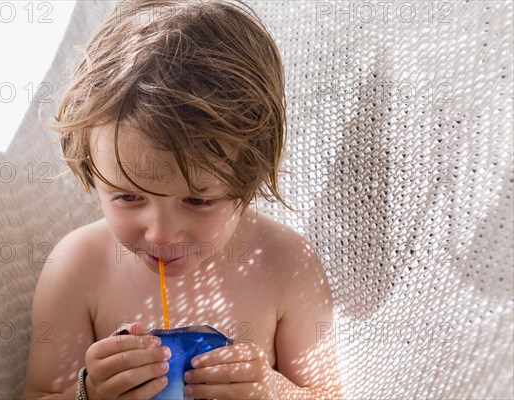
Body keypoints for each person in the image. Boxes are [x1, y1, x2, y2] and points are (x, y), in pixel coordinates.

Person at [22, 0, 343, 398]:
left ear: (250, 177)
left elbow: (326, 393)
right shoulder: (77, 267)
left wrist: (274, 391)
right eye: (127, 196)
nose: (161, 234)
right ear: (89, 167)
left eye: (197, 201)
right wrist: (86, 394)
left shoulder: (286, 265)